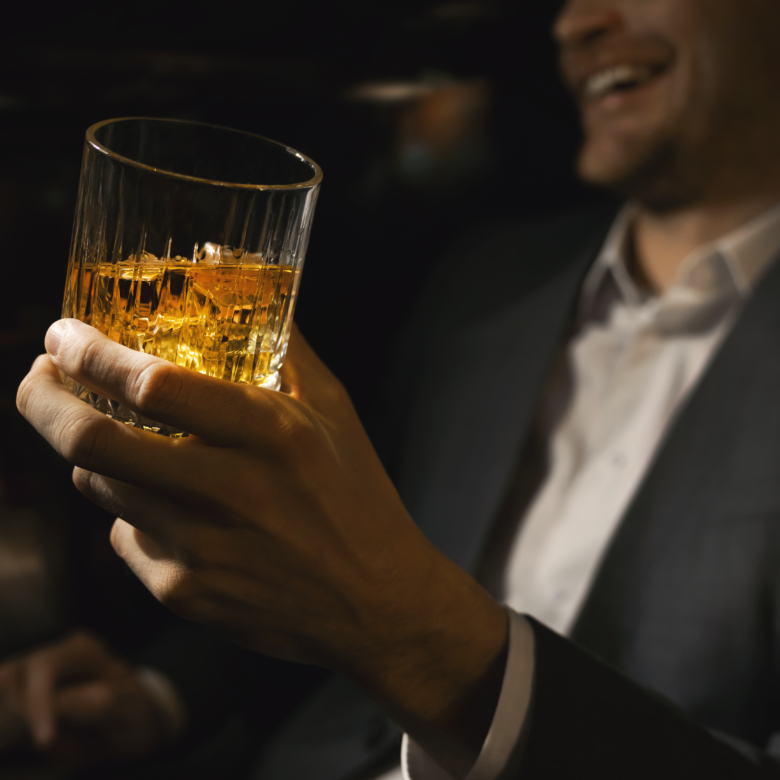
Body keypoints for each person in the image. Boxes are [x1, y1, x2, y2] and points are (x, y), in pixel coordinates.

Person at [14, 0, 780, 777]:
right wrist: (156, 694)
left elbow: (368, 598)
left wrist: (420, 642)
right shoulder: (487, 277)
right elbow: (313, 572)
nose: (574, 24)